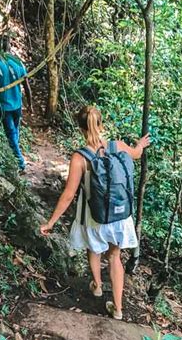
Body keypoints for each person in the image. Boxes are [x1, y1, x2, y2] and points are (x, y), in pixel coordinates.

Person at [40, 105, 150, 320]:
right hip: (120, 215)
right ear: (101, 124)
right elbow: (136, 154)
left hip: (95, 216)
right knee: (115, 256)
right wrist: (139, 145)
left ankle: (97, 285)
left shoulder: (80, 158)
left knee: (94, 248)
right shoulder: (117, 145)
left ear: (80, 128)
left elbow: (69, 195)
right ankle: (118, 310)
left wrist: (51, 222)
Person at [0, 35, 33, 171]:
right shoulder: (18, 63)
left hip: (4, 106)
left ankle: (19, 163)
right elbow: (26, 86)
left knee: (11, 133)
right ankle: (15, 159)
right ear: (9, 47)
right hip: (17, 105)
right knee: (15, 131)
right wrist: (30, 104)